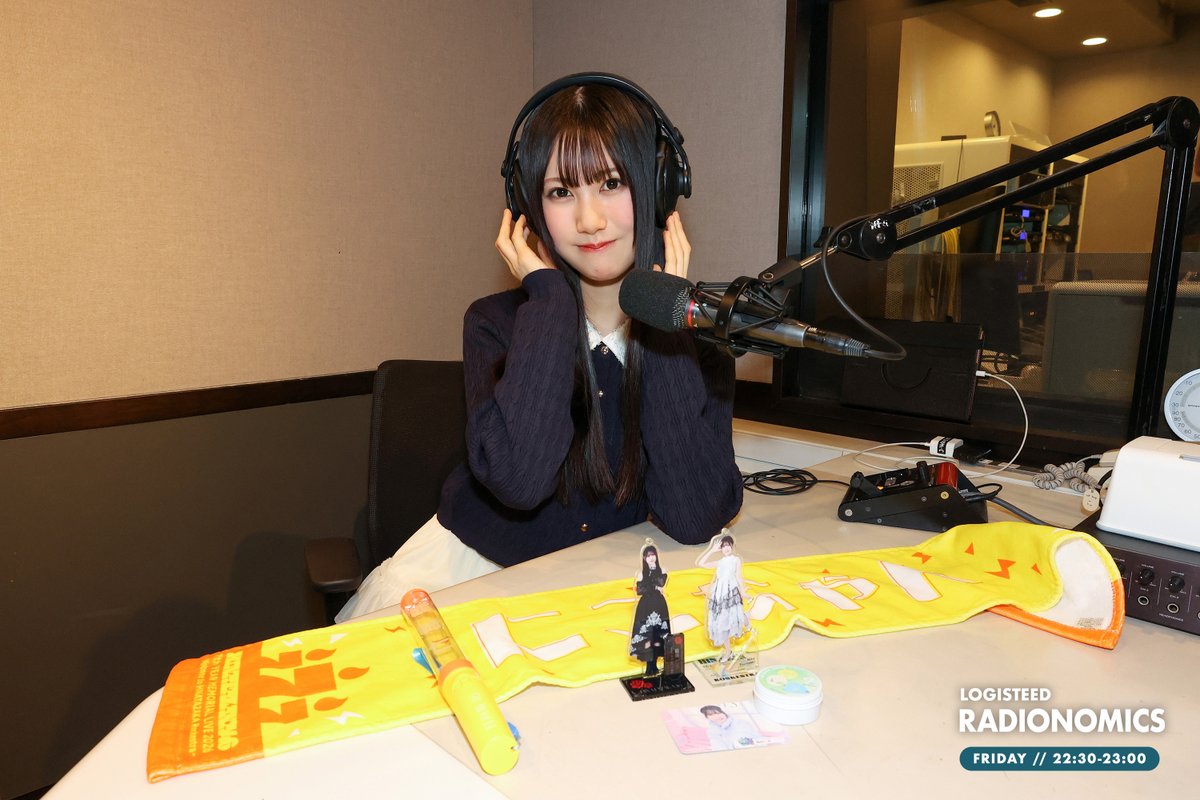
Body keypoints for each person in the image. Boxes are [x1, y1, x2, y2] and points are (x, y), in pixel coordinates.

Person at [336, 75, 743, 622]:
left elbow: (694, 519)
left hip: (597, 588)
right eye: (561, 192)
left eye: (611, 183)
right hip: (467, 577)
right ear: (529, 206)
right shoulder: (497, 324)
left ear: (659, 188)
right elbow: (521, 483)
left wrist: (665, 322)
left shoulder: (699, 349)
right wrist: (549, 302)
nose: (589, 220)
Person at [697, 532, 750, 661]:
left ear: (732, 546)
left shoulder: (736, 560)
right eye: (723, 546)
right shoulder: (719, 562)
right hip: (719, 593)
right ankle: (728, 652)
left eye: (728, 545)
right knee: (722, 622)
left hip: (731, 590)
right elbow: (701, 563)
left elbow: (738, 576)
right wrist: (712, 550)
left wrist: (743, 591)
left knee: (735, 614)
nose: (726, 548)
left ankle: (746, 621)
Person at [629, 541, 671, 675]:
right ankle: (649, 667)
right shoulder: (640, 573)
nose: (651, 558)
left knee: (658, 633)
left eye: (653, 555)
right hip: (645, 605)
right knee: (647, 634)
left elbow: (661, 583)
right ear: (644, 558)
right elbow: (640, 590)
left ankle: (657, 664)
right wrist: (651, 583)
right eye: (648, 556)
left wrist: (651, 581)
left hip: (658, 604)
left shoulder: (662, 569)